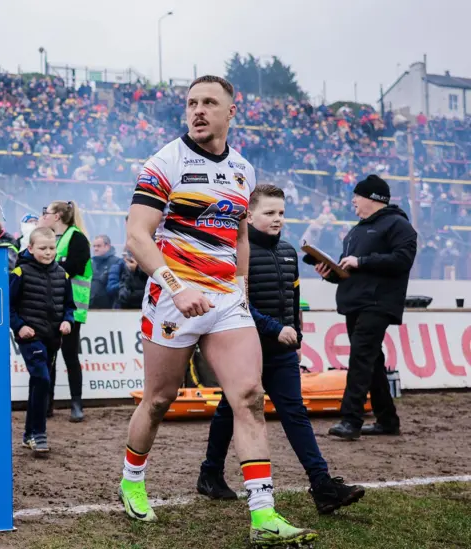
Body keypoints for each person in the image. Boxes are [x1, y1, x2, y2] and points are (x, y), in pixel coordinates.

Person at [120, 76, 316, 546]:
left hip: (227, 300)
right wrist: (176, 285)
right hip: (173, 297)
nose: (198, 110)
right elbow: (137, 237)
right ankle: (132, 478)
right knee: (160, 399)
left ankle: (264, 513)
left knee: (248, 396)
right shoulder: (164, 162)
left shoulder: (244, 170)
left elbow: (241, 237)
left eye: (210, 103)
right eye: (192, 103)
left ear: (232, 111)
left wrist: (242, 290)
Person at [198, 184, 365, 514]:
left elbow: (292, 302)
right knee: (229, 410)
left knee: (295, 414)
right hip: (244, 348)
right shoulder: (235, 252)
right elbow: (237, 302)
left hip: (282, 352)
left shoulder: (289, 252)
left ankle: (322, 486)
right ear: (249, 214)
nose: (278, 219)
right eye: (270, 213)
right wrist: (277, 330)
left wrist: (297, 338)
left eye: (282, 213)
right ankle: (210, 473)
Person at [318, 175, 417, 440]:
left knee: (361, 358)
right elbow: (345, 268)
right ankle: (387, 420)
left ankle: (351, 420)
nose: (352, 201)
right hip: (355, 302)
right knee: (371, 360)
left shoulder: (399, 225)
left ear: (373, 198)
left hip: (378, 302)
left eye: (357, 196)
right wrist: (329, 272)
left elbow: (402, 260)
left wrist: (361, 261)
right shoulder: (355, 231)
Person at [9, 227, 75, 456]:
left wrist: (68, 321)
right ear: (31, 248)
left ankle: (28, 435)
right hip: (30, 338)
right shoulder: (20, 272)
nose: (48, 253)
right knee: (42, 378)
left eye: (52, 248)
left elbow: (69, 306)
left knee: (38, 382)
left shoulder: (62, 274)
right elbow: (8, 306)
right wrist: (20, 326)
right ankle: (39, 434)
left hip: (52, 339)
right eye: (43, 248)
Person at [38, 200, 90, 422]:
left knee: (70, 356)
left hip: (72, 308)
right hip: (49, 307)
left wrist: (52, 263)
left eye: (46, 212)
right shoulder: (49, 238)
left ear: (57, 216)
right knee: (49, 358)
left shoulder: (77, 237)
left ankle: (76, 404)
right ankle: (47, 405)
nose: (44, 215)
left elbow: (75, 267)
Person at [90, 234, 123, 309]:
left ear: (107, 246)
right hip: (91, 307)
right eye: (94, 246)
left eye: (98, 246)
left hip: (109, 309)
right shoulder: (90, 263)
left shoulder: (117, 262)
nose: (95, 249)